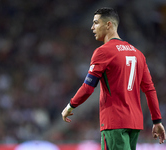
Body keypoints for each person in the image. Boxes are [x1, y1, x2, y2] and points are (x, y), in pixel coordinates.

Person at [61, 7, 166, 150]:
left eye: (96, 23)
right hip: (134, 124)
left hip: (114, 123)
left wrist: (70, 106)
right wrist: (157, 121)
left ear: (108, 24)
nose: (92, 27)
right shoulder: (138, 54)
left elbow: (88, 88)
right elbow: (150, 90)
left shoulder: (103, 52)